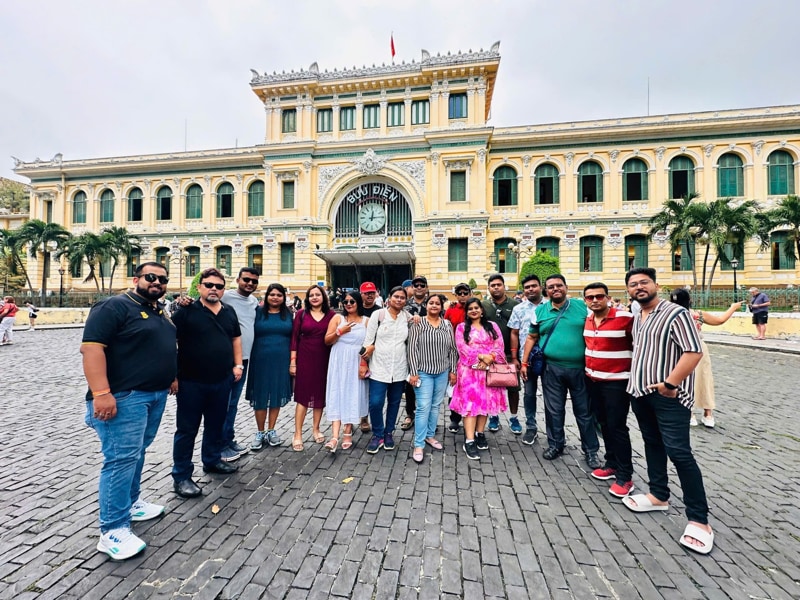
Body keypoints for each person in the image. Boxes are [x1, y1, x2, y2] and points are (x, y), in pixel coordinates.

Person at [80, 262, 177, 560]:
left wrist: (171, 376)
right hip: (124, 397)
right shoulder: (113, 306)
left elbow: (163, 346)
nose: (157, 282)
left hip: (154, 394)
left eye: (162, 279)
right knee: (120, 459)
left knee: (138, 452)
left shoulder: (159, 310)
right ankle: (112, 528)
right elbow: (92, 349)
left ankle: (131, 502)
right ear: (135, 279)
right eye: (151, 277)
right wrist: (101, 393)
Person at [622, 267, 711, 554]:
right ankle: (659, 494)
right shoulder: (638, 315)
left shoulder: (676, 313)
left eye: (643, 282)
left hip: (668, 395)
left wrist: (671, 383)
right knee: (652, 444)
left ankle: (699, 520)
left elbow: (693, 351)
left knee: (679, 452)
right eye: (633, 284)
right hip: (641, 392)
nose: (639, 288)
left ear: (656, 284)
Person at [171, 268, 242, 499]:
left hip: (221, 380)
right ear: (200, 287)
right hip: (191, 382)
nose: (214, 289)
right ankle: (181, 475)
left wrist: (238, 365)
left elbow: (235, 338)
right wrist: (171, 375)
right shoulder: (185, 312)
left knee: (215, 424)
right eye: (209, 285)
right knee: (187, 430)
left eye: (219, 286)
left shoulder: (229, 312)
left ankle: (211, 461)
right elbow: (169, 342)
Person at [520, 274, 601, 469]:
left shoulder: (582, 307)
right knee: (554, 410)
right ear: (546, 290)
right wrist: (524, 363)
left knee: (584, 412)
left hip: (580, 369)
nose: (555, 289)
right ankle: (556, 444)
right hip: (551, 369)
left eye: (559, 285)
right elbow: (532, 337)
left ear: (566, 287)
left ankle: (591, 451)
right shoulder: (540, 311)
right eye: (551, 287)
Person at [583, 282, 636, 498]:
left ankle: (625, 475)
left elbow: (639, 345)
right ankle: (611, 462)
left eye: (599, 296)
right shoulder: (587, 320)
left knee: (617, 427)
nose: (595, 300)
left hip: (617, 382)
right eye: (590, 297)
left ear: (607, 297)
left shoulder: (625, 319)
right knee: (603, 423)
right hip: (593, 380)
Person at [669, 289, 742, 427]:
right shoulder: (697, 314)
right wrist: (733, 307)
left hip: (678, 347)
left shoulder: (669, 315)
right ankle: (708, 414)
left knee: (682, 380)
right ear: (689, 300)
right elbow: (720, 320)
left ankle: (689, 413)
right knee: (704, 378)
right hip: (698, 347)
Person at [450, 298, 507, 460]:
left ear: (482, 310)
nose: (474, 310)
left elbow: (499, 345)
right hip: (469, 372)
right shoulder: (462, 328)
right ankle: (469, 440)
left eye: (476, 308)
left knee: (485, 403)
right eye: (470, 309)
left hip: (489, 370)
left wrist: (491, 357)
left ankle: (480, 433)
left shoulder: (492, 326)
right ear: (466, 312)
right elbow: (462, 348)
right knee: (470, 405)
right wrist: (482, 356)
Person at [407, 294, 458, 463]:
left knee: (436, 406)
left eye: (437, 303)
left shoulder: (446, 324)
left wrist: (453, 370)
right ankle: (418, 444)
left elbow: (452, 349)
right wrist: (413, 372)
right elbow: (412, 349)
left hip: (442, 372)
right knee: (423, 407)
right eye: (431, 303)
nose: (434, 305)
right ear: (426, 305)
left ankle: (429, 435)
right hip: (423, 372)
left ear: (442, 307)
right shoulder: (418, 323)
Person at [362, 286, 412, 454]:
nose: (399, 300)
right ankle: (378, 434)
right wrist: (363, 362)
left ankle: (388, 432)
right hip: (378, 367)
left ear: (406, 300)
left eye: (402, 297)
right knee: (376, 403)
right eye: (396, 296)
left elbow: (417, 325)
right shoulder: (378, 315)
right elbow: (368, 342)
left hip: (399, 368)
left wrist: (418, 317)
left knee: (394, 402)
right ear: (389, 298)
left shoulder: (407, 317)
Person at [218, 267, 260, 462]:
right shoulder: (224, 296)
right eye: (246, 280)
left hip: (244, 359)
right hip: (227, 359)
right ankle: (220, 445)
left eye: (253, 281)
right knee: (223, 403)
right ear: (237, 279)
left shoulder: (253, 302)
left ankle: (228, 438)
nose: (250, 283)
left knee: (233, 402)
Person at [247, 283, 293, 450]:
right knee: (260, 395)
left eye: (279, 295)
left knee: (275, 393)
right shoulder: (257, 312)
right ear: (267, 296)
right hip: (260, 359)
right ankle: (260, 432)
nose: (275, 297)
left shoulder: (288, 314)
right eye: (272, 294)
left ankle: (271, 430)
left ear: (283, 297)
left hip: (281, 359)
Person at [290, 285, 335, 451]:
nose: (315, 297)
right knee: (302, 397)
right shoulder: (301, 315)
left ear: (323, 297)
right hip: (305, 358)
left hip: (324, 359)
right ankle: (298, 433)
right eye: (311, 295)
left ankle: (316, 429)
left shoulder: (331, 315)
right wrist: (293, 361)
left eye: (318, 294)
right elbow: (294, 339)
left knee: (319, 397)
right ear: (307, 298)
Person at [323, 290, 369, 453]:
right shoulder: (337, 318)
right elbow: (327, 340)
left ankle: (347, 431)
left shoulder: (366, 321)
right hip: (339, 360)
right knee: (337, 393)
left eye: (352, 301)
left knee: (352, 393)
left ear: (358, 303)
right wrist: (339, 332)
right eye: (346, 301)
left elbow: (369, 344)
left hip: (356, 360)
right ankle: (334, 436)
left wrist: (364, 362)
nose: (348, 304)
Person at [509, 274, 545, 445]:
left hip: (549, 358)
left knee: (554, 397)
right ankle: (531, 427)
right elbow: (514, 333)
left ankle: (555, 432)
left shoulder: (551, 306)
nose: (530, 289)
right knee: (529, 394)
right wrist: (515, 357)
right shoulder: (519, 309)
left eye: (534, 286)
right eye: (527, 287)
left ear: (541, 287)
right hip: (526, 358)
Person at [481, 274, 520, 433]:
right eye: (493, 285)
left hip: (510, 354)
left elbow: (517, 331)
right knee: (491, 386)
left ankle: (514, 417)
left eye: (499, 284)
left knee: (513, 388)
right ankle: (493, 416)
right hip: (489, 354)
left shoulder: (515, 305)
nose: (496, 287)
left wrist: (516, 356)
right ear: (489, 288)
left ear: (504, 286)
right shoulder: (483, 305)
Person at [401, 275, 429, 431]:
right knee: (410, 384)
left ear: (426, 287)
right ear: (412, 287)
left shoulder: (434, 303)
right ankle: (410, 414)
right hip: (409, 348)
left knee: (427, 385)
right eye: (416, 285)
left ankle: (426, 416)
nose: (419, 287)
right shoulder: (405, 305)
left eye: (422, 285)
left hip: (429, 351)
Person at [444, 282, 471, 433]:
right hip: (454, 353)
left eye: (465, 293)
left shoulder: (474, 308)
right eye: (459, 293)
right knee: (454, 387)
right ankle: (454, 419)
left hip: (471, 354)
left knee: (470, 387)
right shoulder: (451, 310)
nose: (462, 296)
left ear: (469, 293)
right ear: (455, 295)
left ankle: (469, 417)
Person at [357, 281, 381, 433]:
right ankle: (358, 416)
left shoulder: (380, 311)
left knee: (371, 388)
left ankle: (366, 416)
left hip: (375, 353)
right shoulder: (356, 310)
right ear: (361, 295)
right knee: (357, 386)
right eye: (366, 293)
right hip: (357, 352)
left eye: (372, 292)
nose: (370, 295)